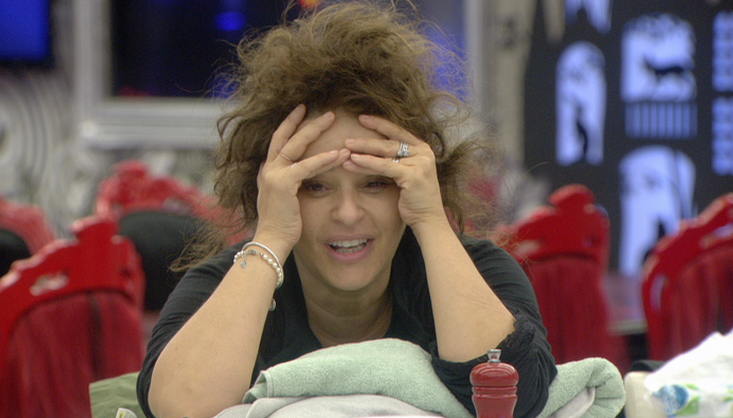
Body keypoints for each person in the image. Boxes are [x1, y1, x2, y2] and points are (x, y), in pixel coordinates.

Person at [137, 1, 557, 418]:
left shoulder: (481, 270)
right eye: (315, 187)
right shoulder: (224, 284)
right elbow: (180, 410)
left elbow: (520, 395)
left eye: (375, 183)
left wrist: (431, 221)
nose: (348, 213)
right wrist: (270, 238)